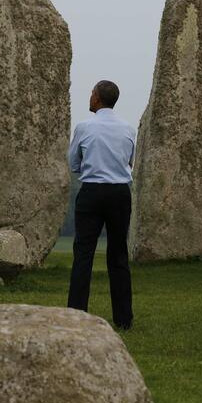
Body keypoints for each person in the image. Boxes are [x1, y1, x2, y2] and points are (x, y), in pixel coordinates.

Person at [66, 80, 136, 330]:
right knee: (118, 254)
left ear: (97, 98)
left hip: (92, 191)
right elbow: (130, 160)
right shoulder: (128, 129)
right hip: (120, 192)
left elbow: (73, 162)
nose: (90, 96)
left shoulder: (84, 127)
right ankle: (124, 318)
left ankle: (76, 313)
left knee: (83, 253)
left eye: (92, 93)